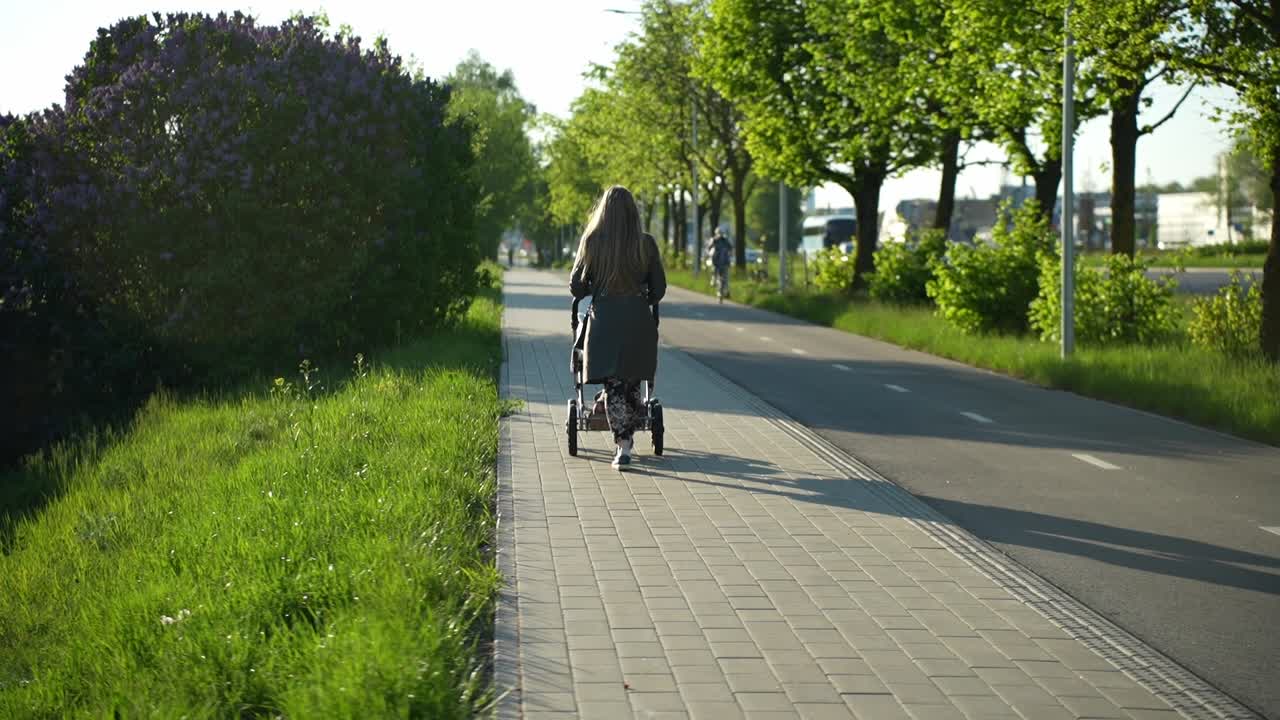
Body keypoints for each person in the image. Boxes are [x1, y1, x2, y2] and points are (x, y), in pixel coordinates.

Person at [570, 185, 667, 468]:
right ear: (632, 212)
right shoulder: (645, 244)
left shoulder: (592, 241)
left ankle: (623, 447)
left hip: (604, 322)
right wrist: (641, 298)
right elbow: (659, 289)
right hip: (638, 321)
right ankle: (626, 439)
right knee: (632, 380)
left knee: (614, 383)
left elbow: (576, 287)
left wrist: (595, 287)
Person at [707, 227, 732, 300]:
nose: (720, 235)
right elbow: (709, 248)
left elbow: (730, 249)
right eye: (719, 233)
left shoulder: (725, 240)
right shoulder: (714, 240)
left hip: (724, 262)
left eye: (721, 233)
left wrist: (729, 255)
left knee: (725, 278)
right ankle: (714, 281)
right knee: (715, 272)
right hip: (717, 262)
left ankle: (726, 291)